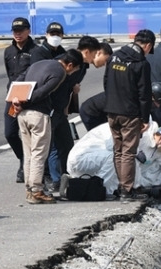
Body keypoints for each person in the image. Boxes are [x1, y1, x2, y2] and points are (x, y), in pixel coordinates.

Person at [11, 49, 84, 204]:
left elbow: (18, 81)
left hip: (22, 116)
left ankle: (29, 188)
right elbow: (44, 92)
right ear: (70, 65)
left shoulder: (38, 64)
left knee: (28, 153)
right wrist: (26, 103)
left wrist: (17, 102)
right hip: (38, 115)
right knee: (39, 153)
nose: (72, 74)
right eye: (74, 70)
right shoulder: (60, 72)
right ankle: (37, 190)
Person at [66, 121, 161, 199]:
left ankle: (71, 184)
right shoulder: (140, 134)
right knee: (117, 157)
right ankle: (105, 193)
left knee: (123, 163)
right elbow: (115, 149)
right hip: (80, 159)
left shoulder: (159, 149)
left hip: (94, 165)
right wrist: (134, 153)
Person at [103, 29, 156, 201]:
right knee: (128, 152)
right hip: (130, 113)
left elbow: (106, 82)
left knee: (118, 150)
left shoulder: (114, 57)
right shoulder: (141, 63)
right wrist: (145, 118)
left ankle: (121, 185)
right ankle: (126, 189)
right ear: (147, 45)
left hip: (112, 110)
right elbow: (144, 93)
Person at [45, 35, 101, 192]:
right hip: (52, 109)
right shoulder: (63, 61)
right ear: (87, 51)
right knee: (54, 146)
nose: (94, 58)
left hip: (62, 109)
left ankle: (65, 175)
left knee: (67, 143)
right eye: (94, 54)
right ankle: (54, 179)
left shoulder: (82, 66)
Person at [3, 17, 38, 183]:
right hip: (12, 97)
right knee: (10, 133)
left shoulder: (35, 51)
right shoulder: (8, 52)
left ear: (28, 31)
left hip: (29, 97)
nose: (18, 34)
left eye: (21, 30)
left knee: (29, 134)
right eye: (15, 31)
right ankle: (23, 158)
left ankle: (28, 165)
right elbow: (9, 74)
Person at [80, 81, 161, 133]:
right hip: (91, 112)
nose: (158, 106)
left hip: (105, 112)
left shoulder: (143, 98)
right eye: (158, 102)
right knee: (101, 139)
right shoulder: (133, 99)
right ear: (152, 97)